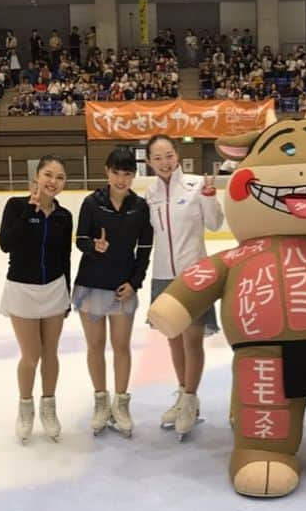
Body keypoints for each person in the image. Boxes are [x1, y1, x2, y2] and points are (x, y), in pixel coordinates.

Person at [145, 134, 224, 438]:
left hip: (194, 274)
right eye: (157, 158)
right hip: (163, 275)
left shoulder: (195, 185)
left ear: (177, 155)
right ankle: (183, 394)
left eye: (169, 155)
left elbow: (215, 223)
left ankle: (190, 398)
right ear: (149, 162)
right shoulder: (149, 194)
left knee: (193, 341)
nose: (164, 163)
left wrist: (209, 196)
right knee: (173, 341)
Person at [72, 147, 153, 438]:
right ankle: (100, 401)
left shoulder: (140, 207)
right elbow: (80, 239)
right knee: (95, 346)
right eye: (116, 172)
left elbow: (144, 249)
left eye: (127, 173)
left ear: (134, 175)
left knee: (121, 346)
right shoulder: (92, 203)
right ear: (106, 171)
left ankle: (121, 403)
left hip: (123, 289)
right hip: (91, 285)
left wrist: (135, 282)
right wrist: (94, 246)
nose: (121, 179)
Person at [0, 155, 72, 444]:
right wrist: (30, 213)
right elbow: (5, 244)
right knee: (31, 355)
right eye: (49, 175)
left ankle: (49, 408)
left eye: (60, 177)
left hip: (54, 289)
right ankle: (25, 408)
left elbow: (65, 256)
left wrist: (67, 295)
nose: (53, 181)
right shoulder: (17, 206)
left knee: (51, 353)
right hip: (22, 291)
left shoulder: (64, 216)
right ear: (37, 178)